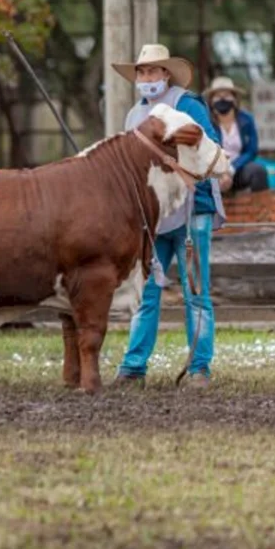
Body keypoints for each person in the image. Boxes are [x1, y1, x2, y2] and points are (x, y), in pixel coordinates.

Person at [112, 44, 226, 388]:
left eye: (152, 71)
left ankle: (199, 368)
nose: (146, 77)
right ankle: (133, 367)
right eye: (141, 72)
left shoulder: (188, 106)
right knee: (146, 292)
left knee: (195, 291)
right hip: (154, 216)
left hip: (193, 209)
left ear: (166, 74)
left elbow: (209, 146)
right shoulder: (134, 115)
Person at [204, 76, 269, 195]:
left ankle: (260, 206)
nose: (222, 99)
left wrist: (231, 169)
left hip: (238, 168)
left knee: (258, 171)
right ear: (211, 101)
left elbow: (251, 150)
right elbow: (205, 152)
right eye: (218, 96)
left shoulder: (247, 120)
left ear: (234, 98)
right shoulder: (206, 122)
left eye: (227, 95)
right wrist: (220, 172)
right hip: (214, 171)